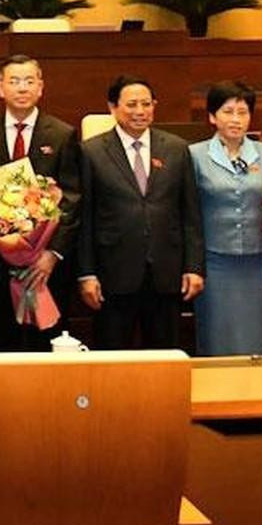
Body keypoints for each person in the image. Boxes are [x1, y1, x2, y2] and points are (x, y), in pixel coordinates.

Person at [74, 75, 203, 350]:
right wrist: (86, 273)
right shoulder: (91, 151)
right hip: (113, 274)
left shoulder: (177, 149)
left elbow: (190, 214)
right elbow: (84, 219)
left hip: (166, 274)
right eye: (131, 104)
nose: (140, 111)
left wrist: (193, 267)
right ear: (112, 107)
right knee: (112, 359)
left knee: (165, 359)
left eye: (147, 104)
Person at [0, 54, 80, 351]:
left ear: (41, 87)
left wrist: (51, 253)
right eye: (14, 81)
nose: (22, 88)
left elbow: (73, 198)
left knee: (48, 346)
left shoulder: (63, 134)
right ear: (0, 88)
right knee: (3, 343)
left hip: (46, 267)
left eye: (29, 81)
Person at [188, 81, 262, 355]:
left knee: (256, 338)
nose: (236, 119)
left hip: (258, 262)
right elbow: (189, 215)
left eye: (242, 112)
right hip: (214, 262)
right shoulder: (195, 155)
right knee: (217, 337)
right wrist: (192, 265)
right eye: (228, 111)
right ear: (212, 117)